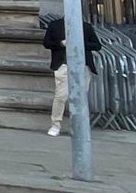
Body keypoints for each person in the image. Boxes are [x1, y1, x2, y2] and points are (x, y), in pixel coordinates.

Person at [39, 8, 105, 137]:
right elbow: (47, 43)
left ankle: (77, 125)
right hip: (63, 64)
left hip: (83, 65)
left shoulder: (85, 27)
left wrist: (81, 44)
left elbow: (97, 45)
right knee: (61, 96)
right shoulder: (55, 25)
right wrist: (61, 43)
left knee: (81, 97)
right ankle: (55, 124)